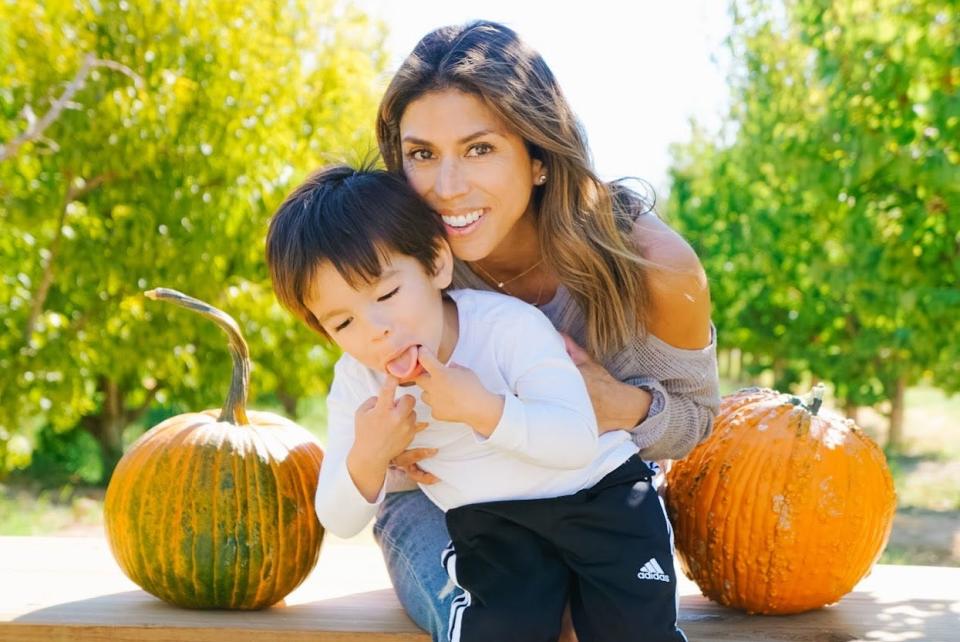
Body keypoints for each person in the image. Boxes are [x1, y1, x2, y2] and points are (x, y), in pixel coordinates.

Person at [372, 19, 720, 642]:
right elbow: (358, 392)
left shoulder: (655, 267)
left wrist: (622, 407)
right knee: (509, 623)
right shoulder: (393, 262)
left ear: (538, 158)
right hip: (447, 504)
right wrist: (381, 436)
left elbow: (696, 420)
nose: (446, 189)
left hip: (591, 499)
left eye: (480, 148)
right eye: (422, 154)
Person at [265, 165, 687, 642]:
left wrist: (483, 408)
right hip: (494, 525)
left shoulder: (508, 327)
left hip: (599, 495)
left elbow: (574, 440)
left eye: (387, 293)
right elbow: (340, 520)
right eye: (343, 324)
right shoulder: (359, 383)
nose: (375, 330)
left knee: (634, 629)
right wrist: (370, 455)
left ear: (436, 265)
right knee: (503, 629)